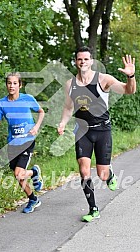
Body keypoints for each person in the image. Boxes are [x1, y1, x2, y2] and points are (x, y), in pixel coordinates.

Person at [58, 47, 136, 222]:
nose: (83, 62)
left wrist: (130, 76)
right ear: (76, 62)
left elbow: (129, 90)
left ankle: (109, 174)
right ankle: (93, 208)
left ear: (91, 61)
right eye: (80, 59)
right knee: (84, 171)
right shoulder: (70, 84)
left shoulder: (103, 79)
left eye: (86, 59)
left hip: (102, 130)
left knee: (102, 174)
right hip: (82, 130)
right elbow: (69, 107)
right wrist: (63, 122)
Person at [0, 72, 45, 214]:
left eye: (15, 83)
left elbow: (41, 112)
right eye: (9, 83)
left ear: (20, 85)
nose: (11, 86)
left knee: (19, 174)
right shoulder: (2, 103)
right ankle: (33, 198)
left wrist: (36, 127)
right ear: (6, 85)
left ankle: (34, 173)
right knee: (19, 177)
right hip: (13, 143)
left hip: (27, 140)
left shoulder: (27, 99)